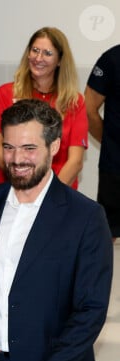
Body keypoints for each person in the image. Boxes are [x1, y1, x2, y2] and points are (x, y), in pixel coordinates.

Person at [0, 99, 113, 361]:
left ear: (55, 147)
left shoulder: (86, 217)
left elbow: (90, 311)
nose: (17, 159)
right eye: (8, 147)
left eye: (29, 148)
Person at [0, 26, 87, 189]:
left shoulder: (74, 102)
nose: (38, 58)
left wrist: (47, 196)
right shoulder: (5, 93)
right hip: (13, 190)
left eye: (47, 53)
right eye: (35, 50)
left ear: (60, 60)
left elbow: (75, 161)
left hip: (56, 194)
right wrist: (25, 188)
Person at [85, 44, 120, 238]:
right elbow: (89, 111)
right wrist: (110, 142)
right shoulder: (112, 59)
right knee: (107, 237)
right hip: (115, 171)